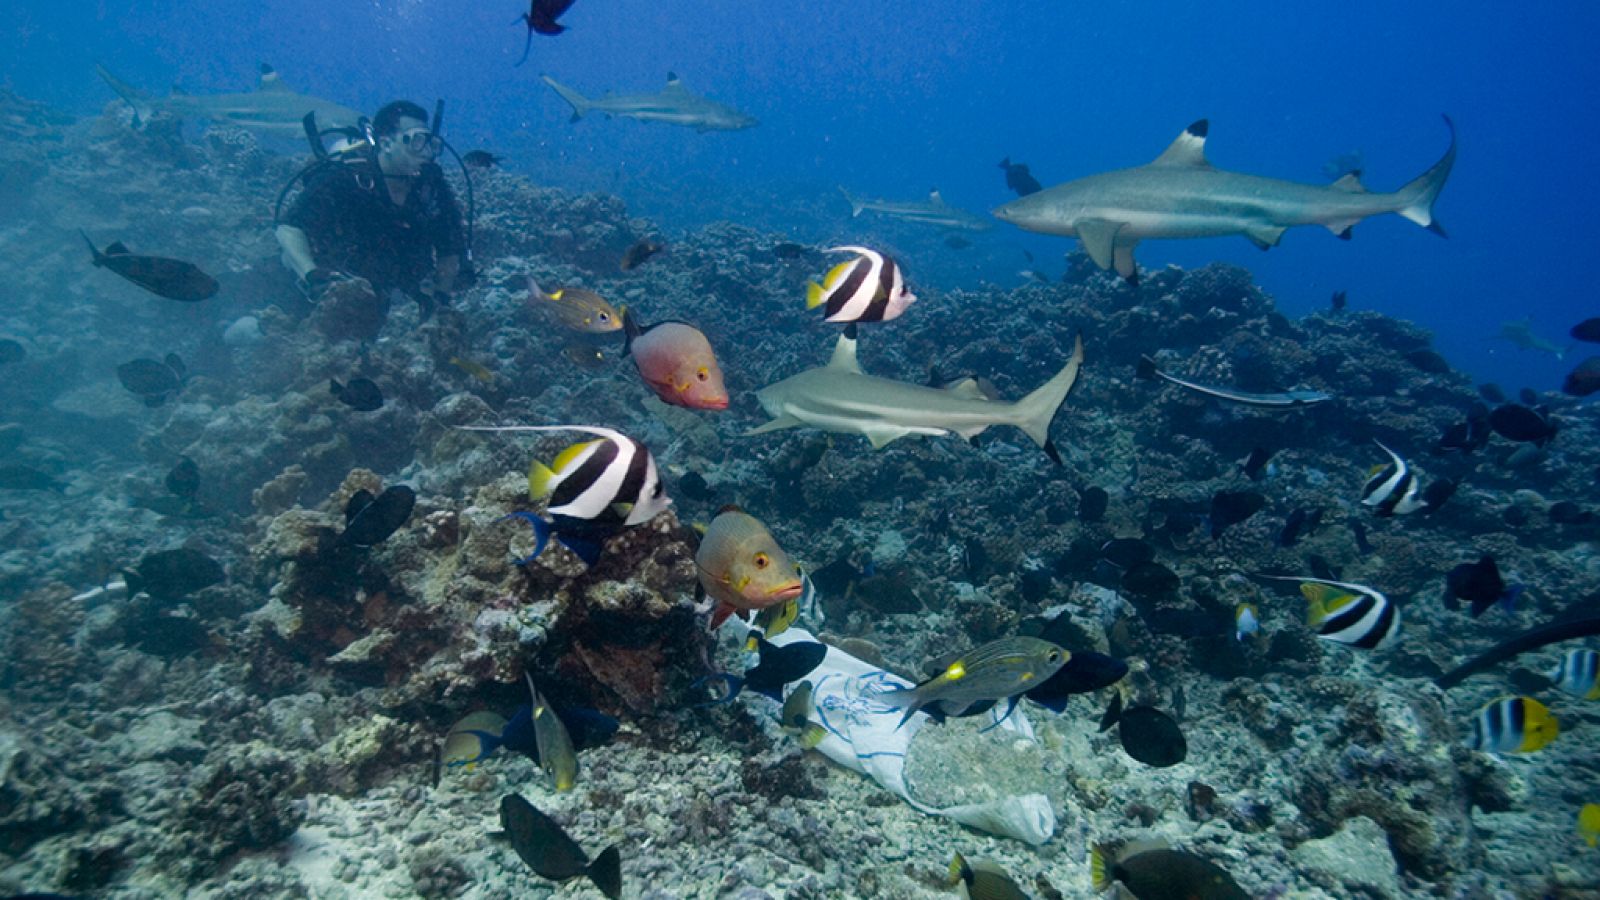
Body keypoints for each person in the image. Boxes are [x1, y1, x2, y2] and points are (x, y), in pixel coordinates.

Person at [275, 100, 466, 329]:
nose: (427, 152)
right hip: (336, 286)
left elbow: (449, 250)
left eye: (431, 143)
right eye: (416, 141)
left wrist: (440, 300)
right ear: (386, 143)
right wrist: (312, 276)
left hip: (397, 293)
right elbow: (289, 228)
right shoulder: (346, 178)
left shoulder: (432, 190)